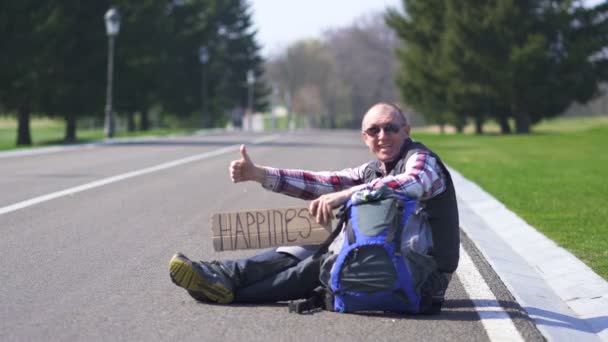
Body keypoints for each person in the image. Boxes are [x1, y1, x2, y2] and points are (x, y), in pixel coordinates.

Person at [169, 102, 459, 308]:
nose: (382, 136)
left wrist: (347, 196)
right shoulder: (374, 171)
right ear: (365, 138)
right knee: (309, 242)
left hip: (424, 279)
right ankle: (222, 275)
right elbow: (323, 183)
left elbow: (414, 183)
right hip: (391, 261)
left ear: (406, 130)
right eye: (374, 131)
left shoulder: (420, 159)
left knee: (327, 263)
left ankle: (229, 292)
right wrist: (261, 175)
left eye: (390, 128)